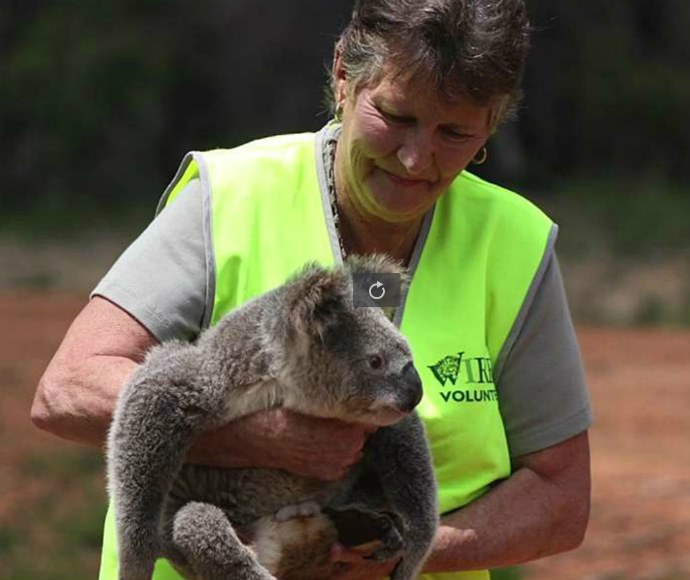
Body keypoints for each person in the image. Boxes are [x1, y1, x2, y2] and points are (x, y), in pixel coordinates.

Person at [31, 0, 592, 579]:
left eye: (454, 132)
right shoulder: (232, 198)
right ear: (344, 75)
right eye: (396, 116)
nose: (414, 157)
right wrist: (256, 439)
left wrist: (406, 552)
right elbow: (67, 389)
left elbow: (562, 498)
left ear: (491, 126)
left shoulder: (513, 242)